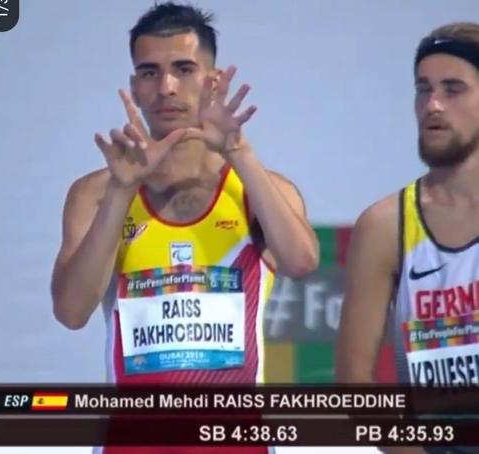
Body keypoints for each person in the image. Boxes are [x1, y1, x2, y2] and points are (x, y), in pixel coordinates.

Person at [50, 2, 319, 453]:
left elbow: (301, 262)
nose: (167, 88)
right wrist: (121, 191)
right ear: (134, 87)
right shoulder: (96, 193)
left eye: (184, 69)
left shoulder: (257, 189)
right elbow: (71, 312)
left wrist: (239, 153)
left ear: (212, 81)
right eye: (150, 72)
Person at [336, 22, 479, 454]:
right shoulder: (385, 226)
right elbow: (354, 384)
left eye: (453, 89)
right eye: (423, 89)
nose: (433, 105)